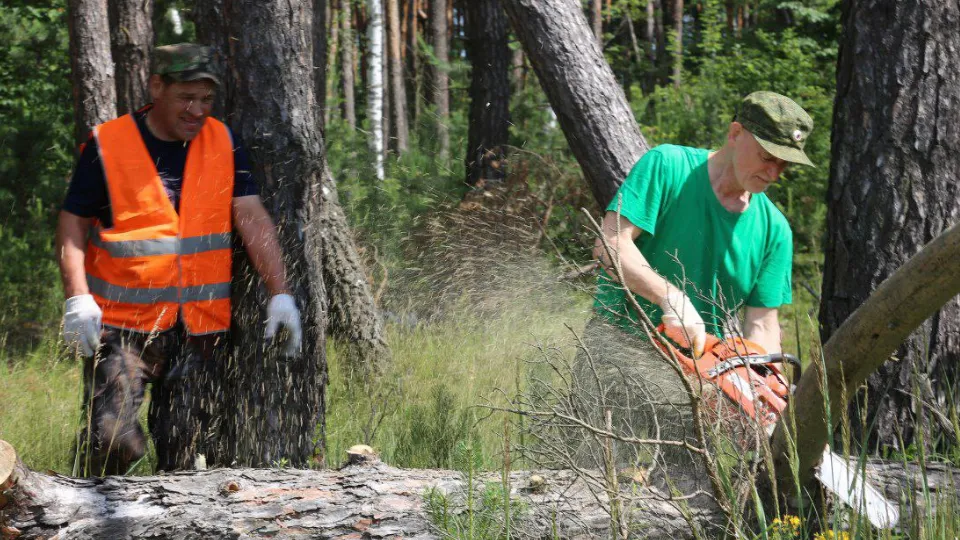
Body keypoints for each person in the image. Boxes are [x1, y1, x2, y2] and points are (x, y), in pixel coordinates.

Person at [56, 43, 303, 475]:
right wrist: (76, 298)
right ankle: (84, 502)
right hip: (122, 329)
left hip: (199, 329)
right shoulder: (108, 143)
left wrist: (280, 293)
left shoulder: (223, 141)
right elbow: (73, 222)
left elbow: (251, 217)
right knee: (113, 440)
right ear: (157, 87)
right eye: (186, 97)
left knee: (186, 456)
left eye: (206, 99)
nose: (197, 110)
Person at [573, 91, 814, 478]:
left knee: (686, 495)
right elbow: (611, 244)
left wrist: (761, 393)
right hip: (615, 352)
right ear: (735, 133)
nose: (773, 173)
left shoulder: (775, 231)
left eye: (784, 165)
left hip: (698, 381)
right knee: (593, 490)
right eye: (767, 157)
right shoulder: (668, 166)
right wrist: (669, 297)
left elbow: (762, 324)